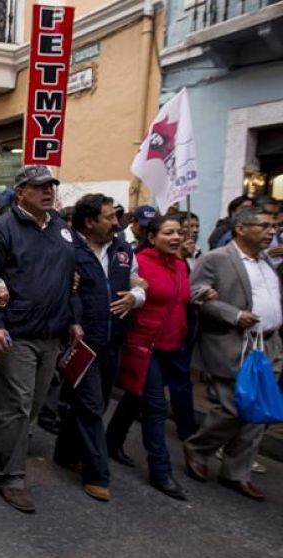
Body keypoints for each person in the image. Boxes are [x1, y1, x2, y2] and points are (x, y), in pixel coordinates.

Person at [0, 165, 81, 513]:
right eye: (39, 187)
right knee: (17, 406)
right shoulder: (2, 230)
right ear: (20, 192)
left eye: (50, 186)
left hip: (52, 334)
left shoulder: (63, 231)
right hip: (15, 334)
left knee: (33, 406)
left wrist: (74, 318)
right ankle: (12, 477)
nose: (47, 192)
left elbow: (73, 279)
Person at [184, 207, 281, 501]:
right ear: (241, 228)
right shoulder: (217, 259)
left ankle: (236, 471)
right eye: (264, 226)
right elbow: (196, 292)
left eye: (273, 226)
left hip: (268, 344)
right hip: (233, 344)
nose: (270, 232)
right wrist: (234, 314)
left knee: (258, 411)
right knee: (233, 408)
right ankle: (199, 448)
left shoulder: (266, 259)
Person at [53, 194, 144, 502]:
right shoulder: (68, 250)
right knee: (92, 407)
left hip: (114, 341)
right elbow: (61, 291)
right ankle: (97, 473)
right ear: (90, 222)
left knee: (97, 403)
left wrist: (136, 297)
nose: (116, 223)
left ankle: (65, 452)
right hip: (82, 344)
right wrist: (72, 319)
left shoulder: (123, 249)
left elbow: (139, 282)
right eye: (109, 217)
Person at [115, 214, 192, 501]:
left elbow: (181, 300)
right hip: (144, 346)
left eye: (179, 232)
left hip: (172, 347)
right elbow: (128, 297)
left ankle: (112, 441)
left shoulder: (181, 265)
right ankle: (161, 471)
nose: (175, 238)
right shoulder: (140, 264)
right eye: (168, 232)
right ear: (152, 237)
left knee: (135, 397)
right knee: (157, 407)